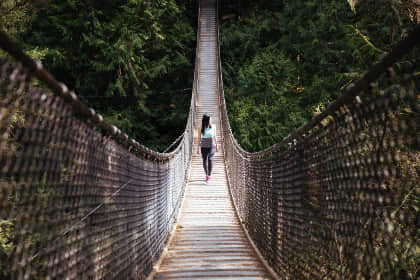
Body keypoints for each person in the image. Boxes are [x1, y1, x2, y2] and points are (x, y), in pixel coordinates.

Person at [197, 114, 218, 183]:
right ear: (206, 121)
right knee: (204, 160)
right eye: (210, 119)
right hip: (203, 146)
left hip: (212, 145)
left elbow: (215, 136)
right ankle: (206, 174)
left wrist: (217, 146)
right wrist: (197, 148)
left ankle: (209, 175)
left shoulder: (213, 126)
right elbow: (199, 138)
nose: (211, 120)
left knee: (210, 159)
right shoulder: (200, 128)